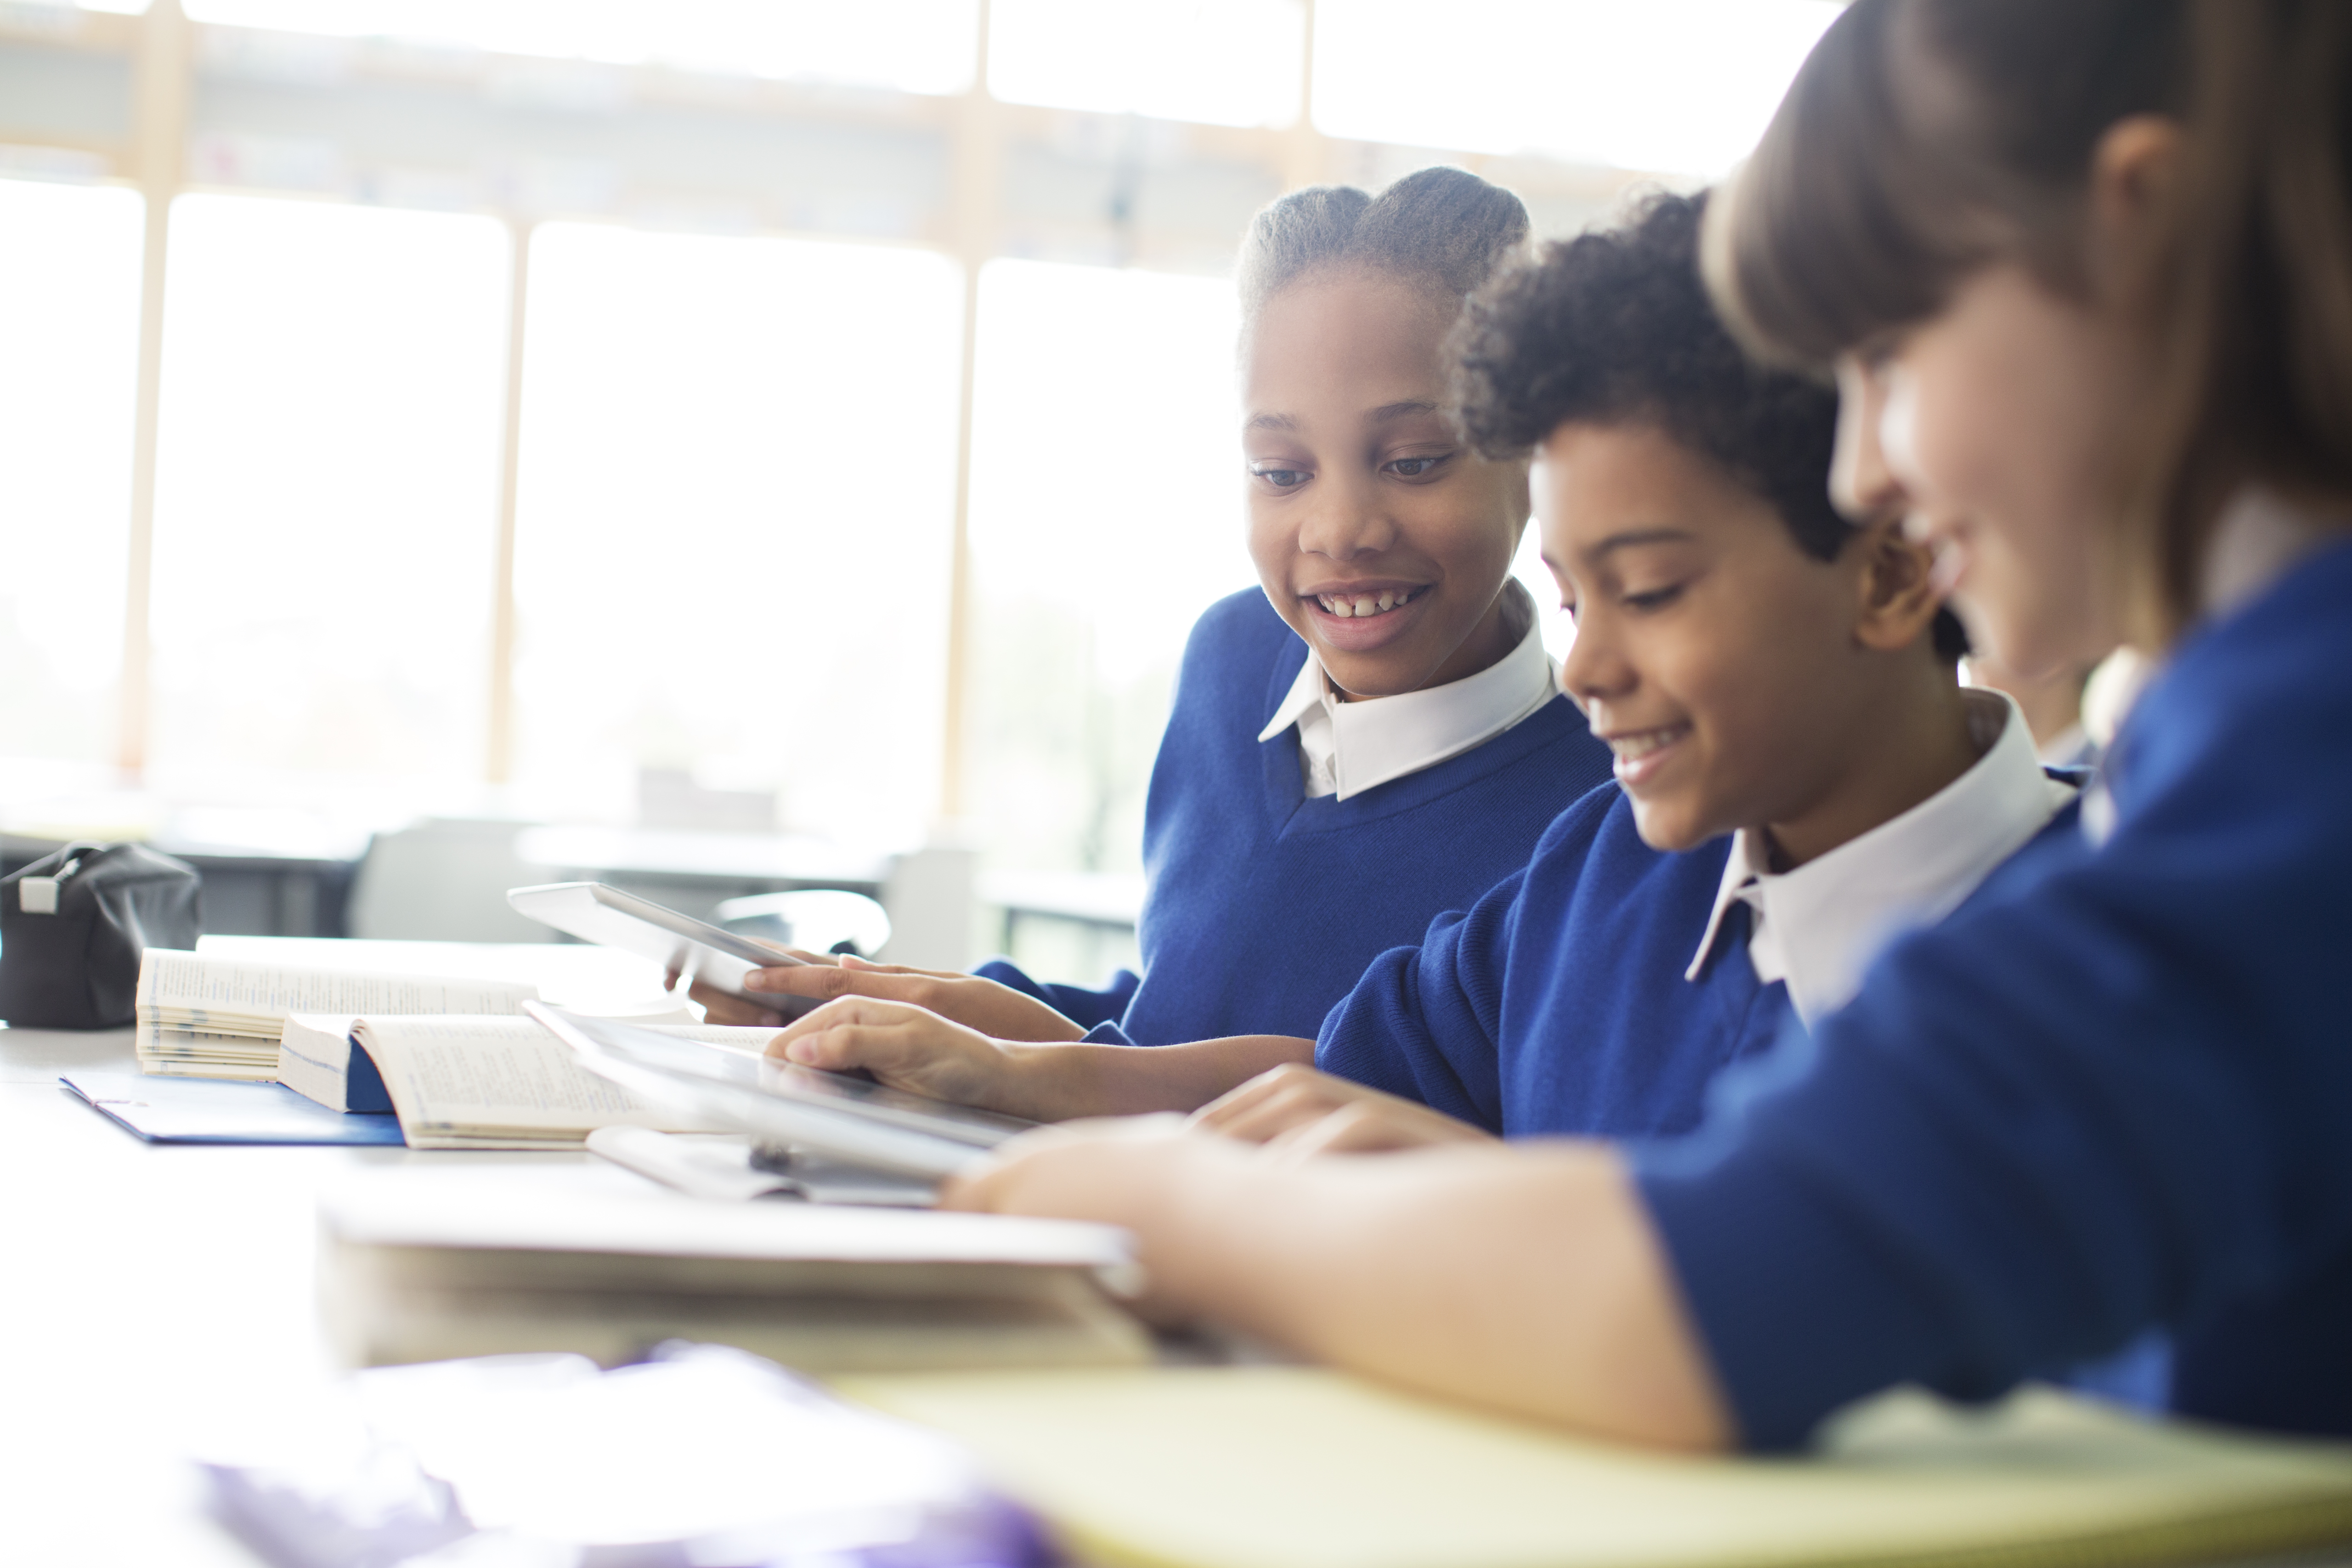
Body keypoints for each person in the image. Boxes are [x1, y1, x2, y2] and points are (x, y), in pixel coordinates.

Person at [928, 0, 2352, 1452]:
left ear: (2137, 232)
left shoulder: (2300, 753)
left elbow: (1729, 1289)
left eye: (1892, 349)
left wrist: (1177, 1206)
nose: (1868, 465)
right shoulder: (2203, 739)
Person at [758, 193, 2082, 1150]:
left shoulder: (2102, 941)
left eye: (1649, 592)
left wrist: (1495, 1204)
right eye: (1575, 598)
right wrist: (988, 1057)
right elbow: (1311, 1073)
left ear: (1896, 571)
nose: (1589, 668)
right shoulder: (1602, 871)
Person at [700, 167, 1613, 1057]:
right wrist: (891, 1005)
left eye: (1413, 461)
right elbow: (1172, 1022)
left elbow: (1376, 1110)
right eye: (1281, 472)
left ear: (1534, 454)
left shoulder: (1600, 820)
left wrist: (1020, 1067)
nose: (1339, 530)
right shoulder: (1234, 662)